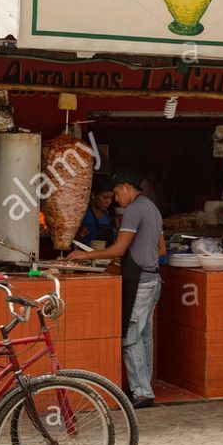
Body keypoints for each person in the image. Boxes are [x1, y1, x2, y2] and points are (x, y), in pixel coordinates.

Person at [68, 169, 164, 408]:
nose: (115, 200)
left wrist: (85, 255)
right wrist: (134, 256)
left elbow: (119, 248)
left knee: (130, 335)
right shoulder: (152, 208)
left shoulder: (133, 210)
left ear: (125, 188)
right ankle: (145, 387)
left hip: (140, 282)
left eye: (116, 194)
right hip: (153, 279)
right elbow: (160, 249)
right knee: (144, 336)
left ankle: (141, 393)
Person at [75, 180, 116, 248]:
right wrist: (77, 233)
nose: (109, 202)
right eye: (105, 197)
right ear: (93, 195)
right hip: (85, 255)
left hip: (106, 255)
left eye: (111, 198)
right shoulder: (82, 214)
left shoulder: (111, 215)